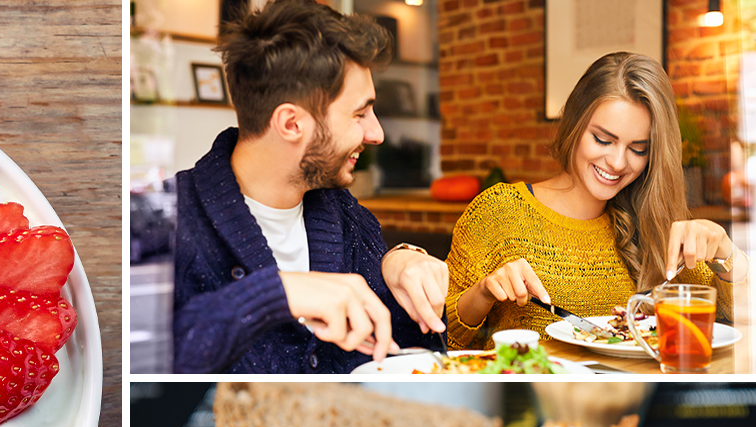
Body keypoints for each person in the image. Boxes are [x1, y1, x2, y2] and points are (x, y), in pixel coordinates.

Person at [171, 0, 448, 374]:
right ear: (291, 123)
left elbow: (410, 355)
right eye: (359, 113)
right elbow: (151, 356)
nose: (377, 133)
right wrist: (277, 295)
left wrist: (402, 263)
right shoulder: (169, 221)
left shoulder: (347, 216)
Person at [445, 52, 748, 349]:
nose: (617, 162)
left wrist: (726, 251)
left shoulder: (654, 224)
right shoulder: (499, 211)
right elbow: (442, 337)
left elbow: (735, 321)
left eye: (638, 149)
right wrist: (483, 292)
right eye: (603, 139)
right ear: (575, 125)